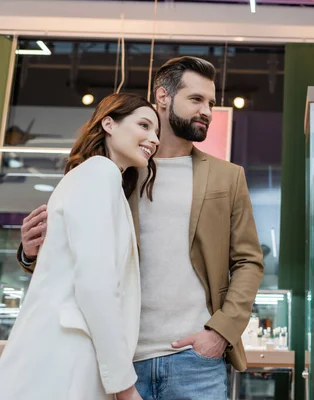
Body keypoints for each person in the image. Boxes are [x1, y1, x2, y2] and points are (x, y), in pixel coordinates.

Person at [18, 56, 264, 399]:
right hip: (118, 358)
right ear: (163, 97)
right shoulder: (117, 173)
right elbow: (83, 264)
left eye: (210, 102)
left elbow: (249, 262)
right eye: (196, 99)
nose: (206, 110)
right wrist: (31, 254)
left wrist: (219, 333)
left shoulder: (227, 176)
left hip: (194, 361)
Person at [0, 93, 160, 400]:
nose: (153, 139)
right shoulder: (99, 172)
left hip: (64, 356)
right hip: (67, 358)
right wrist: (125, 388)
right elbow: (95, 285)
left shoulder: (99, 179)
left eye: (156, 132)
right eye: (144, 125)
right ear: (109, 124)